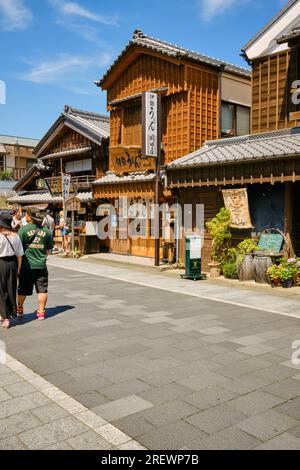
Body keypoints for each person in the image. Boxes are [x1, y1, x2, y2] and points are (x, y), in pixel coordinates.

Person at [17, 208, 53, 321]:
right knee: (42, 289)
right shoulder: (47, 231)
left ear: (30, 217)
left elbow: (18, 250)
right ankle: (41, 313)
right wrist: (41, 258)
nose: (25, 216)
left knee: (23, 289)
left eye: (26, 215)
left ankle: (19, 309)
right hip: (41, 265)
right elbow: (48, 250)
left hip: (26, 265)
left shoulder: (23, 230)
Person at [0, 212, 23, 329]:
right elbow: (20, 254)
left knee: (1, 291)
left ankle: (5, 317)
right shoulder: (16, 236)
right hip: (13, 264)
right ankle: (8, 313)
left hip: (1, 264)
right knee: (11, 289)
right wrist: (18, 267)